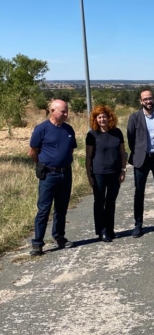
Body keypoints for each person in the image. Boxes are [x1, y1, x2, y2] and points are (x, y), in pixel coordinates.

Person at [28, 99, 77, 256]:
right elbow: (32, 151)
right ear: (52, 111)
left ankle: (59, 237)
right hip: (48, 175)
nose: (66, 113)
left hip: (65, 173)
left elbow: (70, 151)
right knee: (44, 209)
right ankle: (37, 243)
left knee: (61, 208)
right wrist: (42, 165)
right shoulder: (41, 129)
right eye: (63, 111)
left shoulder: (69, 130)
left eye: (66, 110)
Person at [127, 89, 154, 237]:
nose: (148, 101)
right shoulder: (134, 118)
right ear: (141, 101)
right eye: (145, 99)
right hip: (141, 159)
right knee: (139, 193)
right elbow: (131, 139)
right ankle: (138, 225)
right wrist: (139, 153)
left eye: (150, 98)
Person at [85, 105, 127, 243]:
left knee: (111, 202)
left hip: (115, 172)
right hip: (99, 173)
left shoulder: (117, 133)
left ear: (109, 117)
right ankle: (101, 231)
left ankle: (110, 229)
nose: (102, 119)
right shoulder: (92, 135)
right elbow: (88, 156)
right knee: (99, 202)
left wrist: (123, 170)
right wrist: (89, 175)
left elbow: (122, 152)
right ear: (95, 119)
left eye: (104, 116)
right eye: (99, 117)